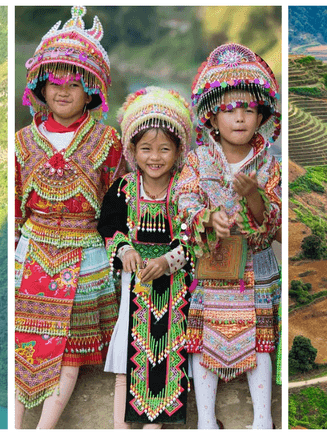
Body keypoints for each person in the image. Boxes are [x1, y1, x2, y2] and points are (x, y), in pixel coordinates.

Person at [14, 6, 124, 429]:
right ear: (40, 86)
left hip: (85, 257)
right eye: (55, 82)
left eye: (74, 83)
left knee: (70, 352)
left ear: (91, 89)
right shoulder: (23, 141)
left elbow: (117, 204)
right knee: (24, 343)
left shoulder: (107, 141)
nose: (63, 91)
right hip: (32, 254)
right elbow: (17, 204)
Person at [174, 42, 282, 429]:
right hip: (213, 266)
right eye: (229, 109)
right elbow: (183, 200)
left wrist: (253, 197)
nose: (239, 117)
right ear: (211, 117)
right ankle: (205, 421)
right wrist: (207, 218)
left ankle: (262, 420)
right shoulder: (198, 160)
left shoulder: (269, 164)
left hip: (257, 267)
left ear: (261, 115)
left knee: (260, 341)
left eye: (249, 109)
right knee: (203, 342)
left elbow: (273, 220)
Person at [98, 87, 194, 428]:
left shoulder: (186, 189)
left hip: (176, 291)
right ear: (132, 150)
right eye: (146, 149)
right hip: (134, 289)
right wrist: (125, 250)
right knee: (127, 363)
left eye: (164, 149)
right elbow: (108, 226)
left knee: (167, 361)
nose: (155, 157)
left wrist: (168, 261)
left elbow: (196, 237)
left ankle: (154, 426)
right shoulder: (122, 189)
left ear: (179, 150)